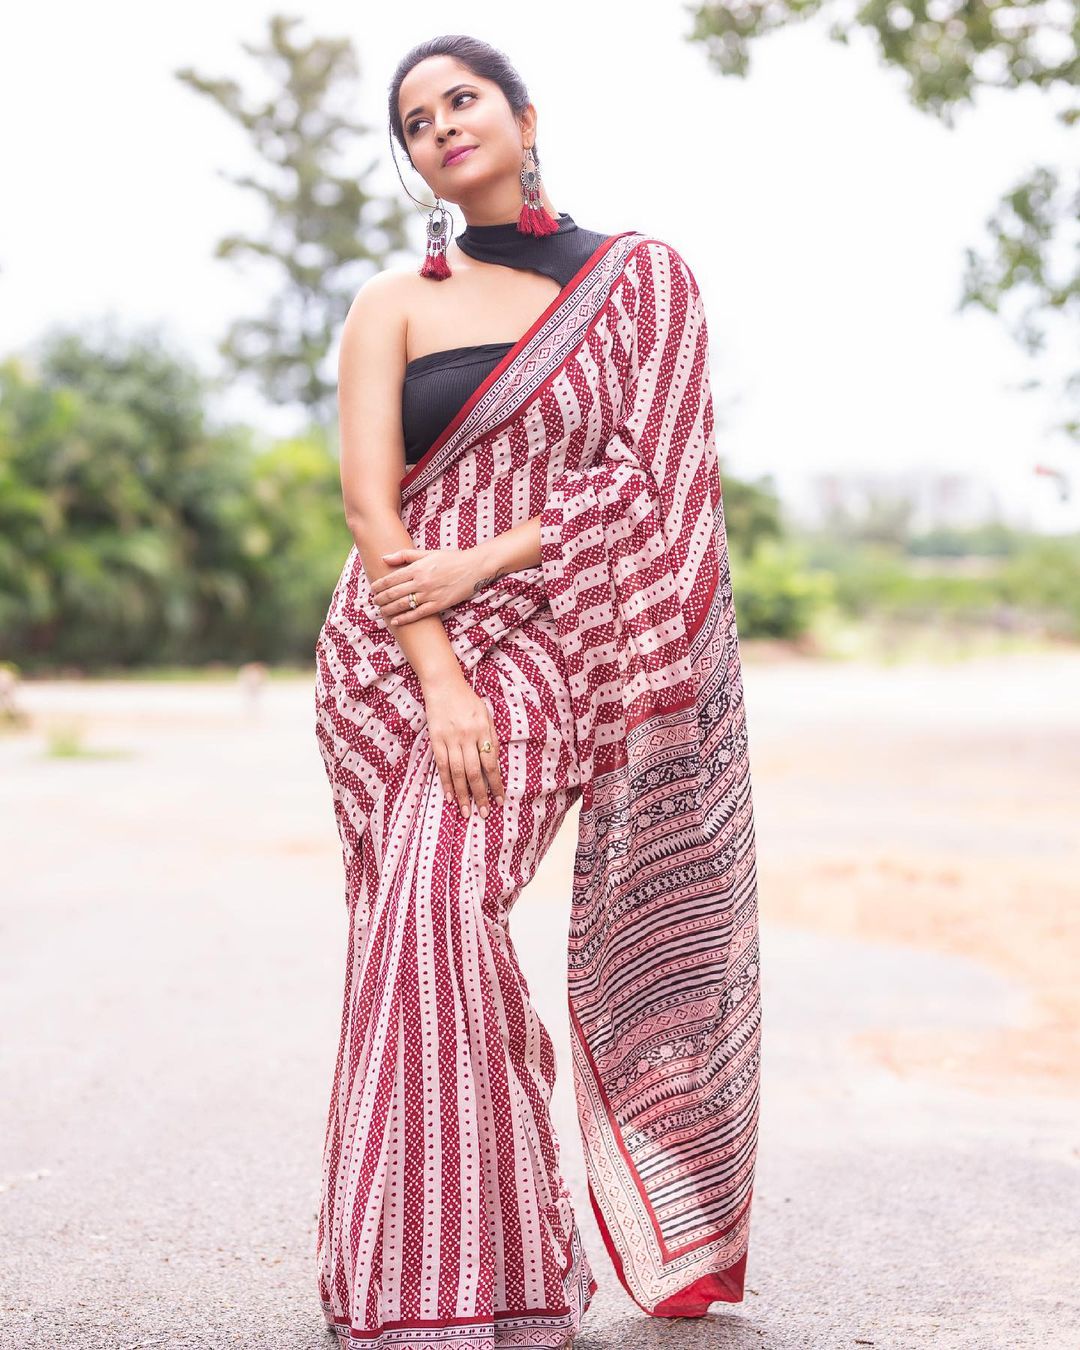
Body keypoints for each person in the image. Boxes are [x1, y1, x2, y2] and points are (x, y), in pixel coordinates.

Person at [313, 33, 762, 1350]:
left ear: (521, 113)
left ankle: (481, 1271)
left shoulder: (638, 284)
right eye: (415, 121)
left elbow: (656, 481)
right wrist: (441, 679)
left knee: (441, 907)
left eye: (462, 100)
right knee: (407, 929)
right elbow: (371, 507)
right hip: (397, 663)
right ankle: (429, 1270)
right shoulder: (392, 303)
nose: (442, 126)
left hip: (563, 639)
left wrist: (488, 560)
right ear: (412, 163)